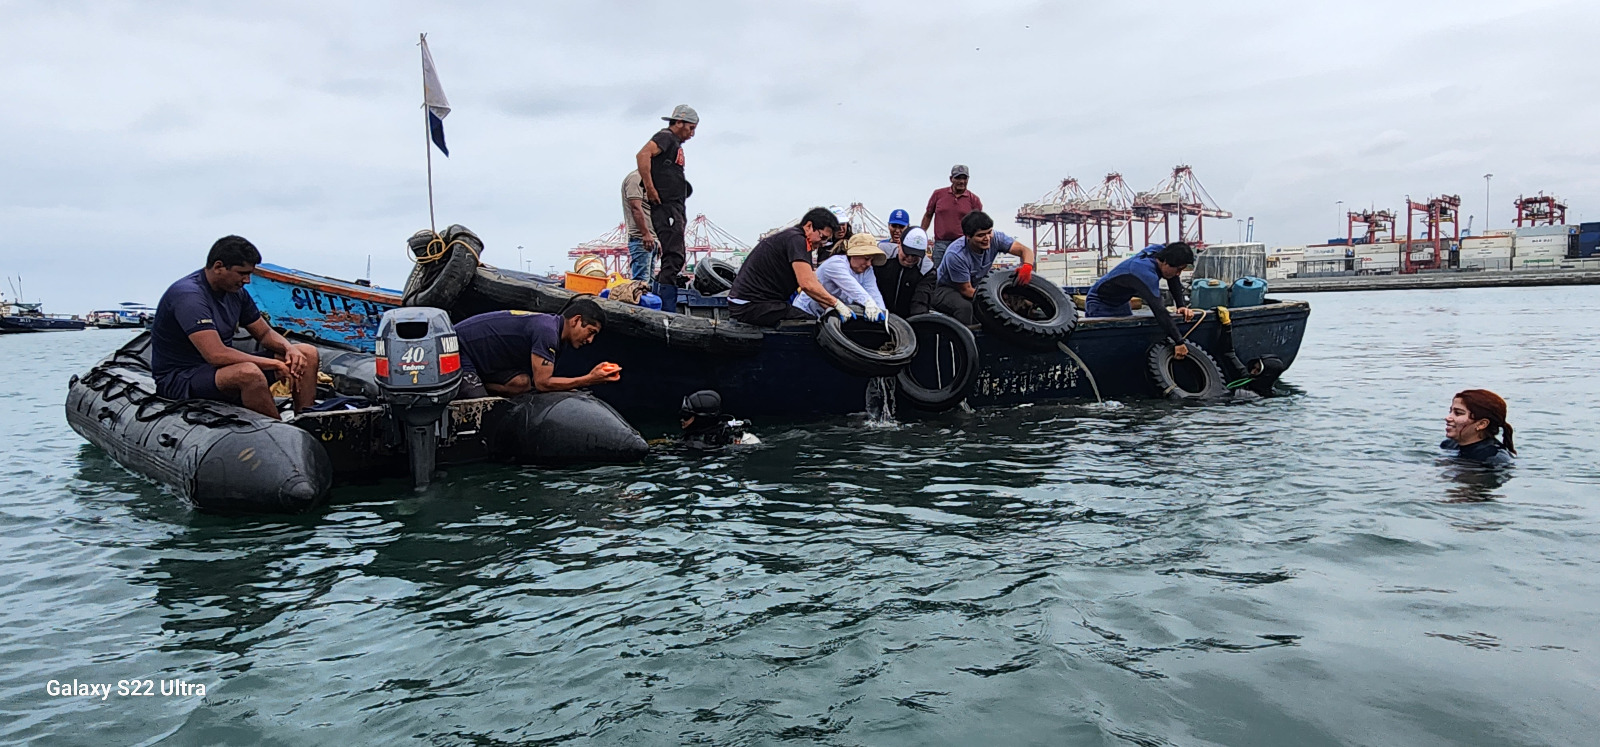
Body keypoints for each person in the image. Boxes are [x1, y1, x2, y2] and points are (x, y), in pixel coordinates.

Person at [150, 236, 320, 419]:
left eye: (249, 274)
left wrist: (288, 349)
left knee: (306, 353)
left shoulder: (237, 293)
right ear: (218, 267)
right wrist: (274, 364)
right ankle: (282, 434)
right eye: (242, 273)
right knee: (248, 373)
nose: (247, 280)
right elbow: (216, 355)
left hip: (217, 372)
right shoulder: (189, 296)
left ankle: (306, 420)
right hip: (181, 377)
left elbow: (263, 333)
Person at [451, 299, 619, 399]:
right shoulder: (547, 332)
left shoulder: (554, 330)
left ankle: (482, 383)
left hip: (484, 358)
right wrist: (589, 379)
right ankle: (464, 385)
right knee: (477, 403)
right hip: (459, 347)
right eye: (590, 332)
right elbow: (543, 384)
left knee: (521, 384)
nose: (590, 340)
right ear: (576, 320)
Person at [728, 207, 847, 326]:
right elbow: (807, 284)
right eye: (823, 237)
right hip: (751, 305)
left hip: (750, 303)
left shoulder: (792, 238)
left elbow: (813, 283)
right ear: (809, 226)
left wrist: (832, 307)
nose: (822, 243)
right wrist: (836, 304)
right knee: (810, 324)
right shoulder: (797, 240)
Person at [1084, 243, 1197, 358]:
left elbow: (1173, 277)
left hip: (1122, 302)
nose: (1178, 274)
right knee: (1107, 348)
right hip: (1100, 303)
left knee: (1126, 342)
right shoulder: (1143, 272)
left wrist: (1181, 306)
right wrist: (1179, 341)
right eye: (1178, 270)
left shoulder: (1159, 251)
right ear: (1166, 262)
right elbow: (1159, 310)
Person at [635, 104, 698, 312]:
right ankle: (665, 307)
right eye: (690, 128)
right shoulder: (666, 137)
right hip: (667, 206)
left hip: (675, 205)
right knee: (674, 254)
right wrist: (651, 188)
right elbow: (642, 155)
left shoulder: (674, 144)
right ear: (678, 123)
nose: (692, 134)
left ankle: (660, 298)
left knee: (675, 253)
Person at [930, 211, 1036, 325]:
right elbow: (966, 290)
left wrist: (1027, 266)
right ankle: (966, 339)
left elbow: (1025, 250)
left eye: (989, 232)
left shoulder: (995, 238)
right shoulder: (956, 255)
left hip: (976, 284)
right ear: (968, 236)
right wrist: (998, 301)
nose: (987, 238)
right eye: (980, 235)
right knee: (965, 307)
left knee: (1019, 299)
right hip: (945, 288)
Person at [794, 234, 889, 320]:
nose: (869, 264)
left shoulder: (867, 270)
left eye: (871, 260)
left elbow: (874, 293)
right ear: (853, 255)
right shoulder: (835, 264)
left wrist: (883, 314)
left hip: (829, 316)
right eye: (866, 258)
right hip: (806, 312)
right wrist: (869, 303)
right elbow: (853, 288)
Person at [921, 164, 983, 265]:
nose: (961, 181)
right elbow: (928, 215)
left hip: (963, 244)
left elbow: (979, 225)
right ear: (951, 179)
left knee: (960, 273)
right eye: (958, 178)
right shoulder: (938, 194)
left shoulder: (974, 200)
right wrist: (921, 234)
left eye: (964, 178)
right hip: (941, 243)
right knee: (938, 273)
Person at [1442, 389, 1516, 466]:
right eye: (1450, 411)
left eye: (1458, 413)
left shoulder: (1496, 459)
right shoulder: (1448, 445)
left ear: (1482, 424)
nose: (1447, 418)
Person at [875, 226, 935, 318]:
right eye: (907, 253)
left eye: (915, 255)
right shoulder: (882, 255)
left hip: (908, 318)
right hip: (878, 312)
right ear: (899, 244)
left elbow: (920, 301)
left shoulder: (927, 270)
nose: (910, 259)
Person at [679, 390, 759, 449]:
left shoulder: (744, 439)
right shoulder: (690, 438)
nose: (681, 420)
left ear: (701, 419)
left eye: (686, 416)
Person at [621, 169, 656, 282]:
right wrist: (645, 234)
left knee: (650, 284)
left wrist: (656, 239)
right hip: (641, 240)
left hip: (651, 240)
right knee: (641, 283)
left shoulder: (648, 180)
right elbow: (635, 208)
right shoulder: (636, 178)